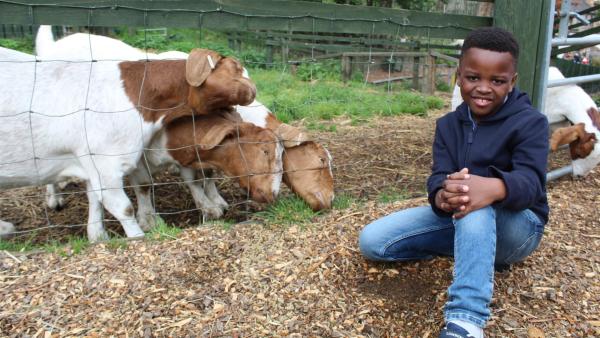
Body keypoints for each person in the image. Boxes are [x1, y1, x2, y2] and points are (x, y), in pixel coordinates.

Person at [359, 27, 549, 338]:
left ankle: (467, 322)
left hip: (519, 227)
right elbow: (438, 175)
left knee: (471, 198)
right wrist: (440, 196)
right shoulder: (448, 126)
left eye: (497, 81)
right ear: (458, 77)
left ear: (512, 82)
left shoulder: (531, 123)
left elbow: (532, 184)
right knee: (374, 241)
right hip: (465, 219)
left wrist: (492, 187)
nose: (483, 88)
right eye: (473, 78)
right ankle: (473, 249)